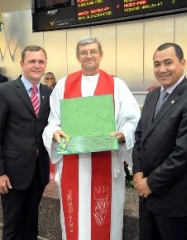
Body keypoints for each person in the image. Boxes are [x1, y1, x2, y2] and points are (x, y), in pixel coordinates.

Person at [42, 36, 140, 240]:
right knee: (74, 218)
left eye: (93, 51)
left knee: (105, 216)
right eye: (84, 52)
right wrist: (54, 133)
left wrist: (123, 134)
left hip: (105, 161)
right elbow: (53, 121)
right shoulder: (63, 85)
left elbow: (132, 120)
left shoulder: (116, 85)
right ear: (78, 57)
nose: (89, 56)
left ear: (101, 55)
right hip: (72, 164)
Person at [132, 43, 187, 240]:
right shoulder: (151, 96)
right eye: (157, 64)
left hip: (174, 198)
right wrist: (138, 172)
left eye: (168, 63)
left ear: (182, 63)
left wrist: (151, 183)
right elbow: (140, 137)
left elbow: (185, 153)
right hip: (146, 194)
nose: (162, 69)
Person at [0, 45, 52, 240]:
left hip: (38, 172)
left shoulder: (49, 93)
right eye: (32, 61)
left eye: (41, 61)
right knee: (13, 226)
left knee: (31, 223)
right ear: (22, 64)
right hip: (12, 173)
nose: (37, 65)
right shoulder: (3, 91)